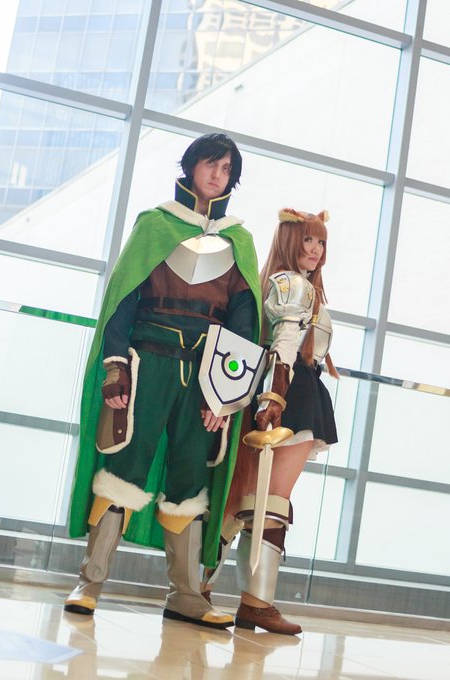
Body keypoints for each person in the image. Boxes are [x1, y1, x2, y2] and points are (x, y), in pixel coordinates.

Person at [64, 133, 262, 629]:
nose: (217, 175)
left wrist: (225, 396)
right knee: (124, 464)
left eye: (226, 169)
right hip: (148, 363)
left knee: (191, 477)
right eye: (210, 164)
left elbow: (244, 327)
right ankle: (90, 582)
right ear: (191, 165)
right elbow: (123, 300)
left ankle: (186, 595)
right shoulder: (154, 225)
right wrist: (116, 368)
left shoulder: (239, 242)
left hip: (205, 377)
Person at [202, 208, 338, 635]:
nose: (315, 249)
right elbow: (285, 343)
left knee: (244, 497)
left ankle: (199, 588)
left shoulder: (280, 282)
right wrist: (276, 395)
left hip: (275, 390)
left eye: (320, 242)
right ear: (289, 242)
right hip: (288, 392)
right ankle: (254, 604)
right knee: (269, 501)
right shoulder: (292, 284)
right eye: (307, 240)